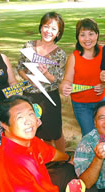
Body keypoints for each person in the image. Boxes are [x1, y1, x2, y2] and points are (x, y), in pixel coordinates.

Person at [0, 95, 76, 192]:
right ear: (5, 125)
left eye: (31, 114)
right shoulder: (9, 166)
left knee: (70, 169)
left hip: (46, 185)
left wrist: (69, 159)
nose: (28, 122)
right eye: (20, 117)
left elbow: (50, 153)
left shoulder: (28, 140)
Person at [16, 12, 66, 152]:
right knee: (33, 130)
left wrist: (46, 73)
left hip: (49, 96)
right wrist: (28, 78)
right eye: (46, 26)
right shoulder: (28, 46)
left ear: (58, 33)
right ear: (41, 27)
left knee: (54, 131)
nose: (48, 31)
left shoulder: (59, 54)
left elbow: (57, 79)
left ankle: (62, 158)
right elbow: (20, 68)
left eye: (53, 29)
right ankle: (41, 159)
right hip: (30, 95)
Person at [60, 18, 105, 136]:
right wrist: (65, 86)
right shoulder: (74, 57)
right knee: (90, 136)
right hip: (81, 105)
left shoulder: (104, 52)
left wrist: (104, 85)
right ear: (77, 37)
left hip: (101, 102)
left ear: (97, 35)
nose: (87, 39)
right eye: (82, 35)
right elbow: (67, 80)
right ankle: (91, 154)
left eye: (91, 34)